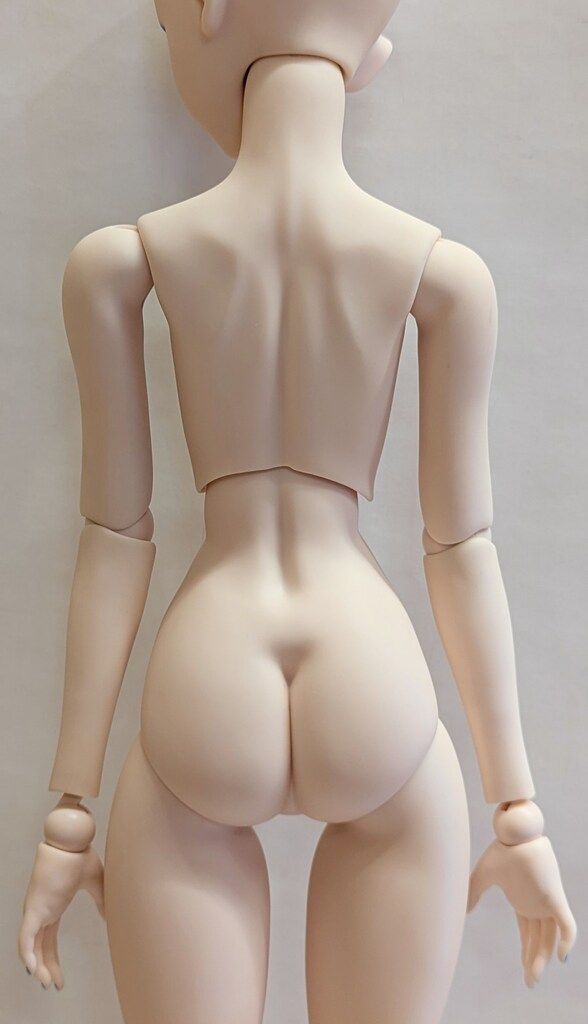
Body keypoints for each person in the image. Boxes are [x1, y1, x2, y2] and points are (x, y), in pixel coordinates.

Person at [18, 3, 576, 1022]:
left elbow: (116, 537)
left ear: (209, 14)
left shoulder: (122, 261)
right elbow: (461, 545)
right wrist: (518, 809)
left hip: (209, 664)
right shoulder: (444, 273)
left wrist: (70, 812)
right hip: (370, 670)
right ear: (370, 60)